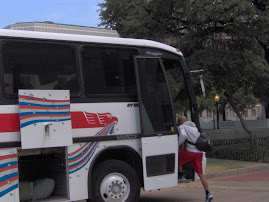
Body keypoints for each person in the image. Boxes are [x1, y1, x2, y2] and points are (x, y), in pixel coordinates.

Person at [177, 116, 213, 202]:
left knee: (176, 157)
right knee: (201, 174)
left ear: (180, 122)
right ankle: (208, 193)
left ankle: (181, 175)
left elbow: (183, 136)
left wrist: (177, 144)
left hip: (190, 151)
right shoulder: (194, 126)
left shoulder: (182, 127)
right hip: (198, 153)